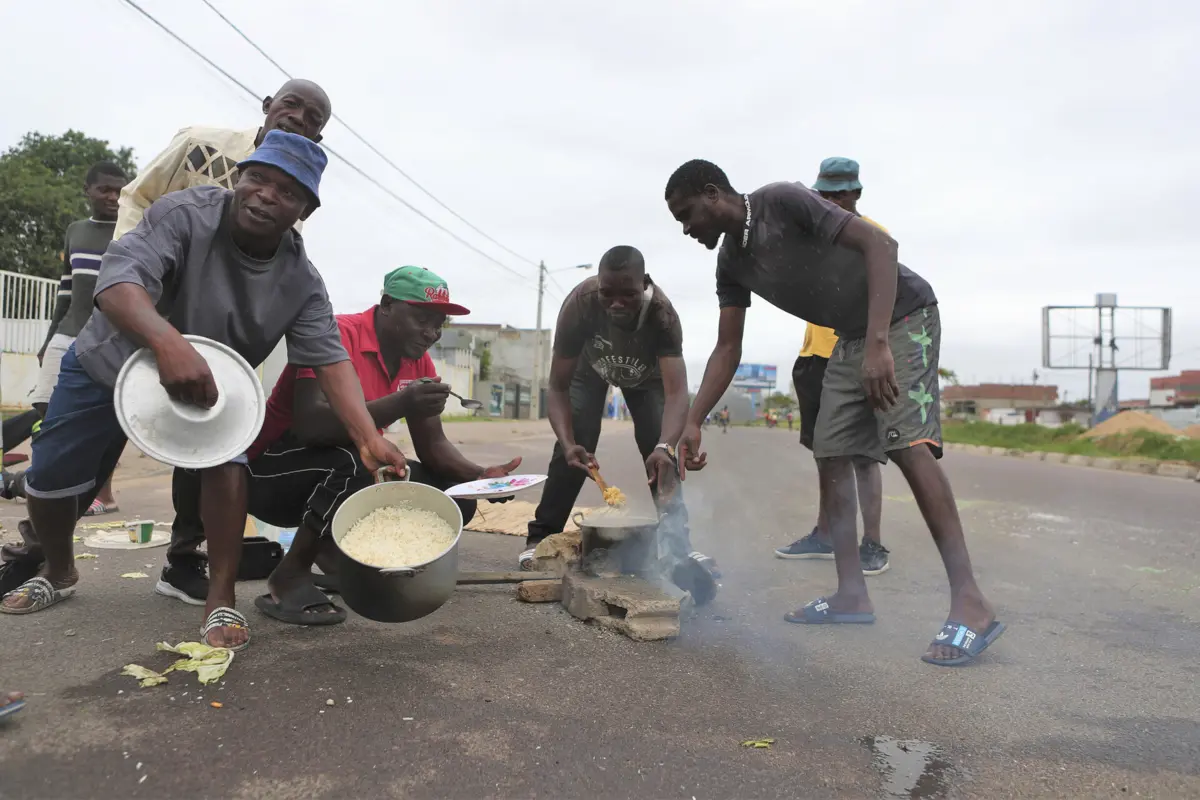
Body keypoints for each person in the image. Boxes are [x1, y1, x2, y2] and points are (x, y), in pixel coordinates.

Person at [1, 131, 406, 653]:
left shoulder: (302, 280)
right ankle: (57, 571)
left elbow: (330, 360)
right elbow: (117, 285)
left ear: (304, 208)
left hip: (209, 384)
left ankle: (221, 598)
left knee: (227, 465)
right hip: (110, 360)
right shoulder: (184, 214)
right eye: (258, 178)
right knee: (51, 473)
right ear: (241, 177)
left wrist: (367, 437)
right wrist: (166, 341)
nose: (264, 194)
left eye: (286, 191)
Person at [665, 159, 1004, 666]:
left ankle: (971, 603)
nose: (687, 230)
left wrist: (880, 343)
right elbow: (727, 348)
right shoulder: (730, 261)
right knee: (832, 450)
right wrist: (694, 420)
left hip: (903, 317)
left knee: (905, 444)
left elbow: (881, 246)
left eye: (687, 215)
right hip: (850, 335)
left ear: (713, 193)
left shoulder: (781, 200)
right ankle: (852, 595)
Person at [119, 79, 332, 605]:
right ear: (267, 107)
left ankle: (187, 559)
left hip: (222, 332)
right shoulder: (201, 145)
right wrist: (128, 283)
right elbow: (137, 196)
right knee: (95, 427)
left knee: (211, 442)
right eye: (291, 106)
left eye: (313, 119)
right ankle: (44, 553)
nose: (298, 119)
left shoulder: (296, 202)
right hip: (141, 302)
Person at [241, 265, 522, 625]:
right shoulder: (337, 334)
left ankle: (336, 559)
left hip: (329, 472)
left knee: (445, 493)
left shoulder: (415, 358)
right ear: (387, 304)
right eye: (422, 317)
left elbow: (433, 445)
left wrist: (481, 477)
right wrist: (401, 404)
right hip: (269, 471)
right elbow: (310, 425)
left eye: (439, 324)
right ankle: (289, 575)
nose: (431, 333)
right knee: (359, 460)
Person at [522, 246, 717, 597]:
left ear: (644, 284)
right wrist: (568, 444)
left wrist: (665, 445)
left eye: (627, 294)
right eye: (607, 293)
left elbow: (675, 394)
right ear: (597, 285)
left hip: (647, 379)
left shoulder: (662, 315)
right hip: (589, 370)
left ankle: (677, 547)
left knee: (660, 450)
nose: (615, 303)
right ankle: (540, 537)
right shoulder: (580, 304)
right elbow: (558, 387)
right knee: (578, 438)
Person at [774, 158, 889, 577]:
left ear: (855, 194)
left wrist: (876, 352)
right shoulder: (814, 237)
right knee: (826, 455)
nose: (829, 203)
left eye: (837, 195)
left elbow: (883, 300)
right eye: (822, 196)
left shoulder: (874, 237)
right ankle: (825, 534)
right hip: (814, 358)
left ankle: (873, 544)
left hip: (854, 354)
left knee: (862, 455)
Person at [32, 162, 129, 516]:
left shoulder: (130, 230)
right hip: (68, 331)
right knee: (45, 407)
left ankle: (103, 493)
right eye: (105, 189)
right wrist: (47, 341)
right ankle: (58, 486)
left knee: (102, 420)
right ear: (87, 190)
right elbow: (65, 292)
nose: (113, 197)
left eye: (120, 190)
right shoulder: (75, 231)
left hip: (106, 341)